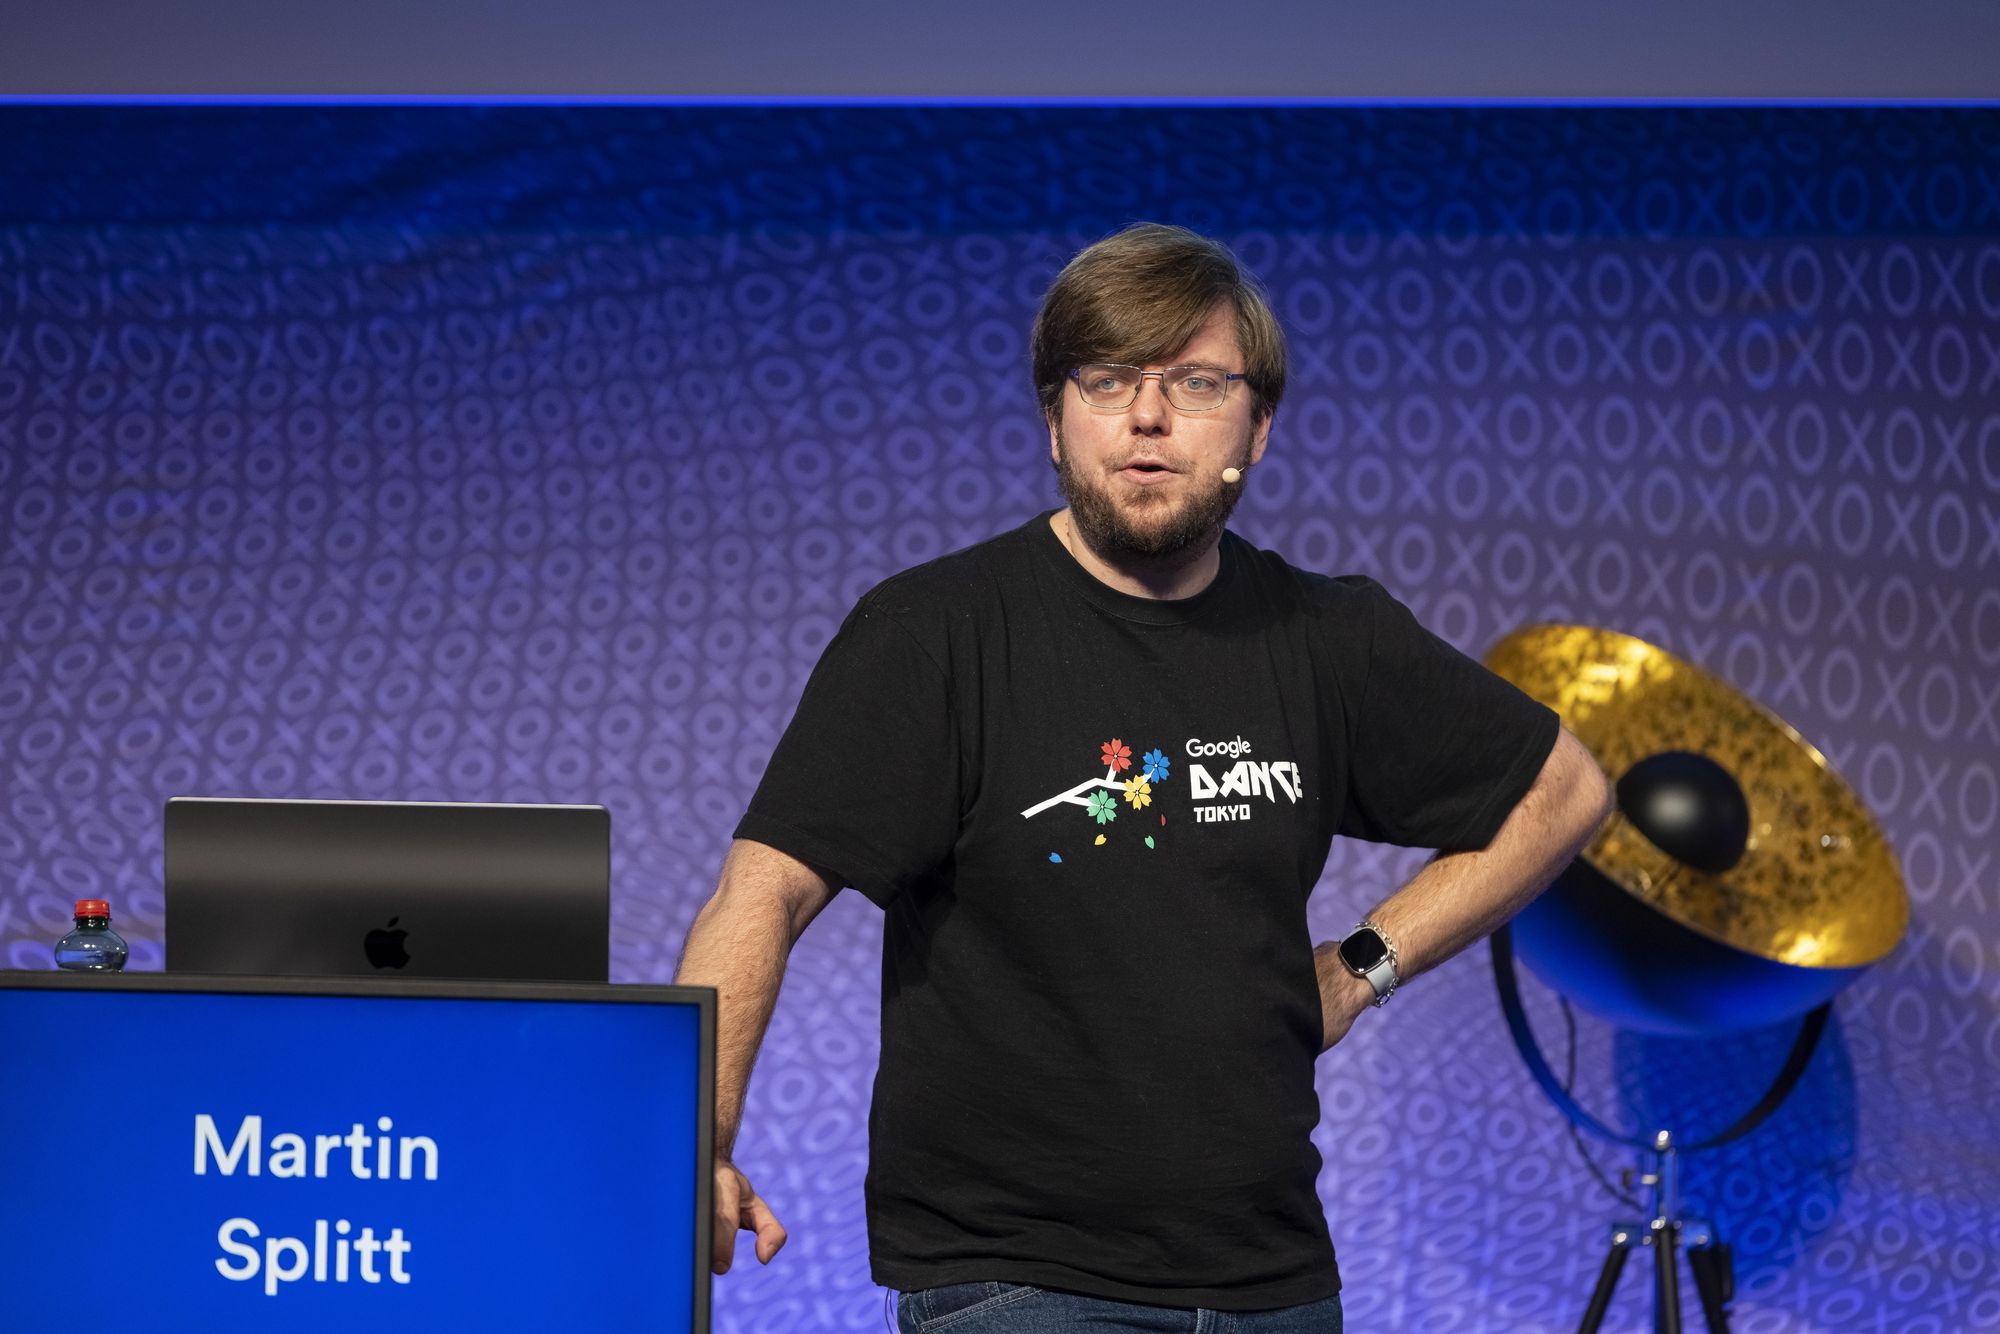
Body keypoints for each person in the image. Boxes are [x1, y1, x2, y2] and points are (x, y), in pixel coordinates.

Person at [672, 223, 1615, 1332]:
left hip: (1271, 1282)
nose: (1148, 416)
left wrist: (1365, 964)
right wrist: (698, 1142)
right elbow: (762, 892)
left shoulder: (1328, 637)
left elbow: (1566, 790)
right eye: (1108, 378)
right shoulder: (933, 634)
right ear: (1054, 420)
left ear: (1257, 427)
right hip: (1018, 1281)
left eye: (1197, 382)